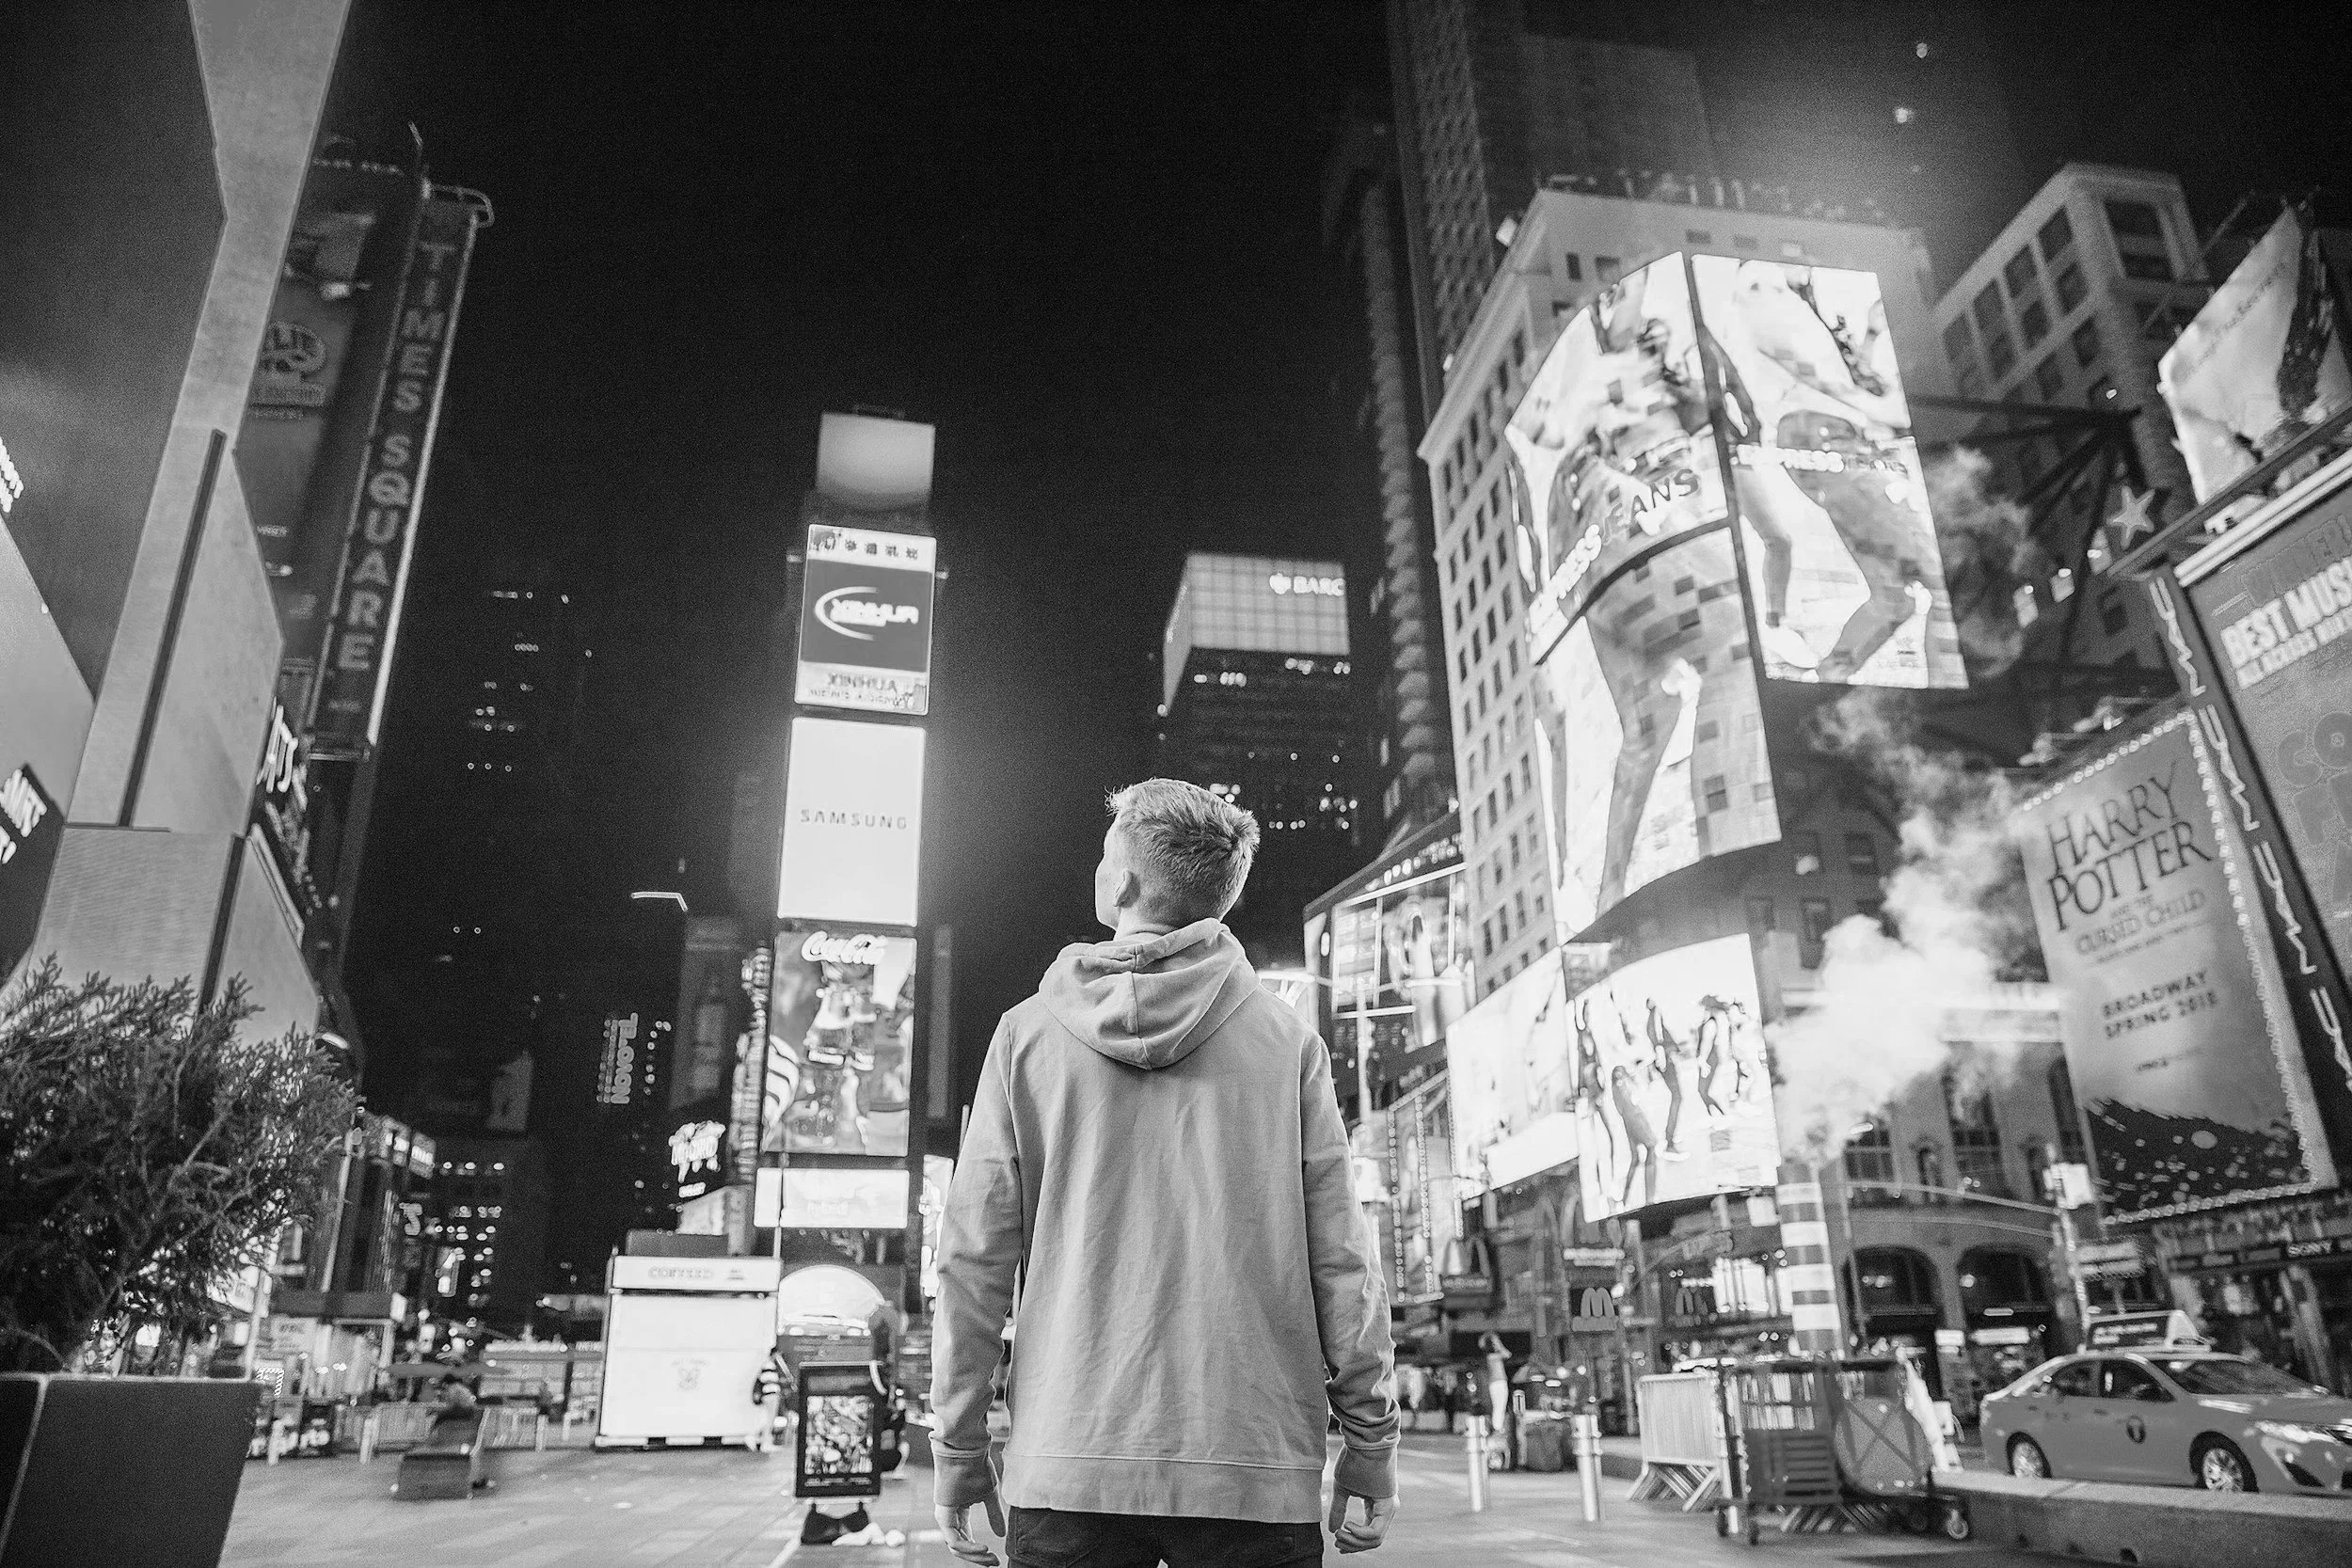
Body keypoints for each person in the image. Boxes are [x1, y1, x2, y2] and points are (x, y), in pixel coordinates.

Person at [931, 780, 1400, 1567]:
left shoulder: (1025, 1038)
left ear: (1122, 884)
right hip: (1253, 1470)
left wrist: (959, 1447)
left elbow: (972, 1260)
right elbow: (1345, 1262)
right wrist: (1370, 1439)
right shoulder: (1288, 1045)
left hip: (1066, 1465)